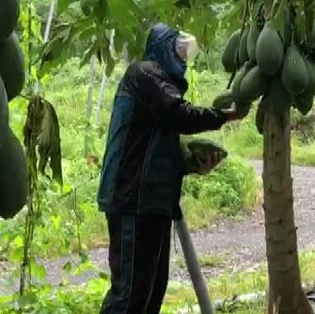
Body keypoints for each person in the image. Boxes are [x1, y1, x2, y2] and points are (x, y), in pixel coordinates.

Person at [96, 23, 247, 313]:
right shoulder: (145, 72)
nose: (182, 59)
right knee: (129, 297)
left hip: (153, 203)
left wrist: (194, 165)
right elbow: (177, 114)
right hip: (132, 199)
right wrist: (224, 116)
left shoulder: (162, 91)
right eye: (178, 51)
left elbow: (161, 151)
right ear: (162, 48)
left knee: (150, 294)